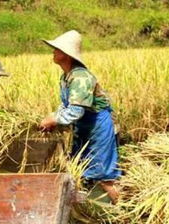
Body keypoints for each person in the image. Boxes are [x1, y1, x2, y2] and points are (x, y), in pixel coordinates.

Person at [39, 30, 121, 204]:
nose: (53, 52)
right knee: (80, 170)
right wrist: (55, 116)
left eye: (57, 49)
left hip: (97, 127)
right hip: (84, 128)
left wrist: (54, 119)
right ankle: (88, 210)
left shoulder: (81, 78)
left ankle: (124, 211)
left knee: (103, 176)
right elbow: (67, 105)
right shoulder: (66, 77)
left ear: (66, 55)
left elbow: (76, 111)